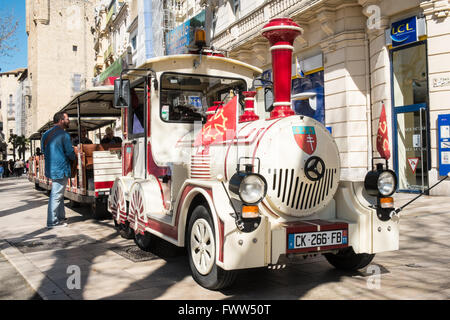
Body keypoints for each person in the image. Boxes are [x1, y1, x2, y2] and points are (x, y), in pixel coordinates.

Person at [41, 111, 76, 229]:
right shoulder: (64, 135)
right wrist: (75, 157)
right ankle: (52, 221)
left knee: (58, 194)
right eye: (67, 119)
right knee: (56, 195)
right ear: (61, 120)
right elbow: (70, 153)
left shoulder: (45, 134)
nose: (69, 121)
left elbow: (43, 150)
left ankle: (60, 218)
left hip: (51, 168)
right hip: (61, 168)